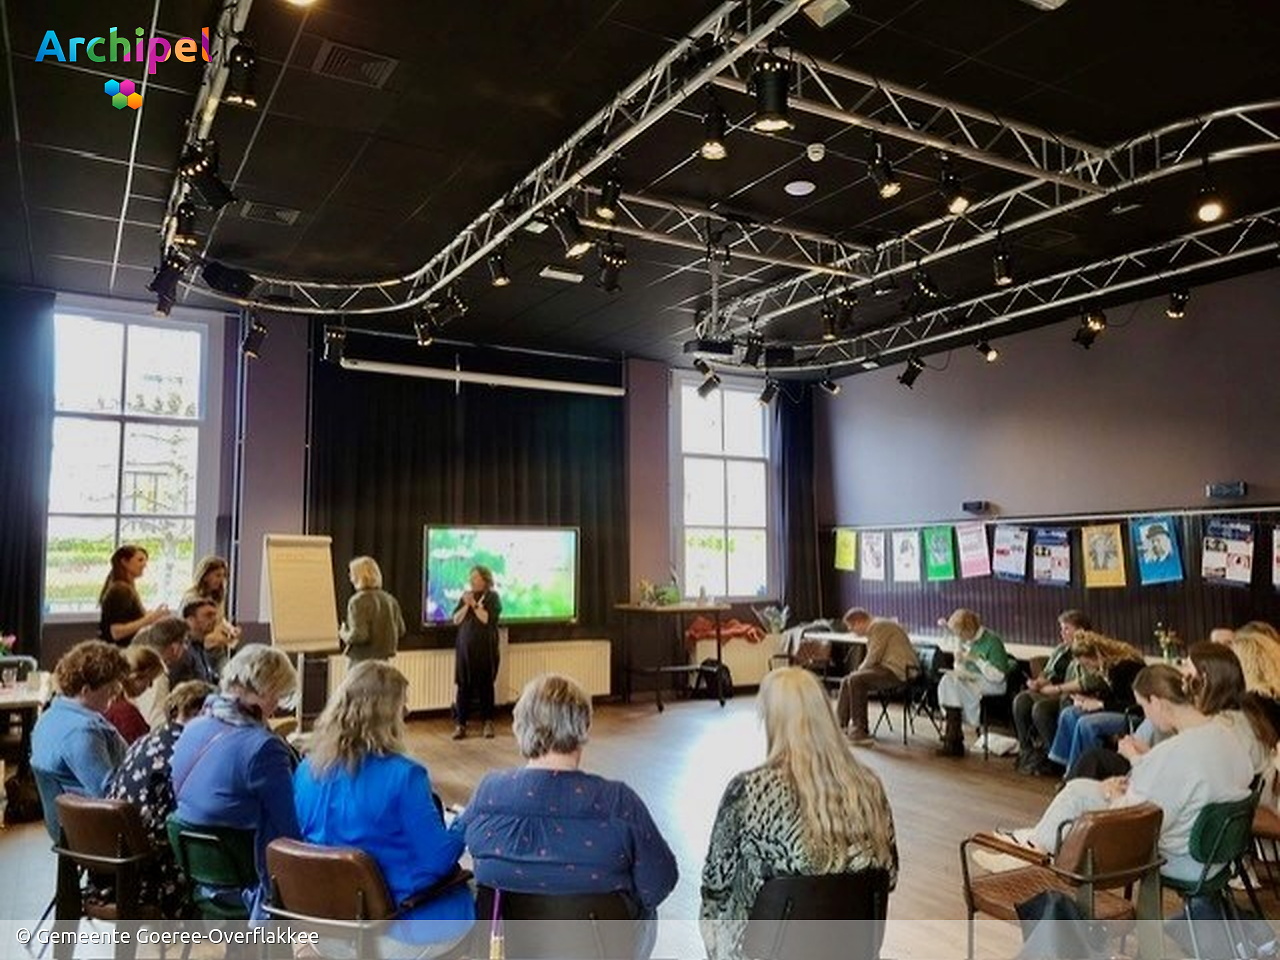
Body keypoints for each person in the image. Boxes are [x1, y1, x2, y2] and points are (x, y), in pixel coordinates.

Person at [452, 674, 676, 959]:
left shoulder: (489, 792)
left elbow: (453, 841)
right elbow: (659, 884)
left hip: (505, 949)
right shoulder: (618, 802)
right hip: (599, 948)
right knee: (646, 911)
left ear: (520, 725)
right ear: (583, 726)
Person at [701, 668, 898, 960]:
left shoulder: (748, 790)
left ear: (773, 721)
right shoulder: (869, 786)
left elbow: (715, 884)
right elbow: (889, 877)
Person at [994, 663, 1253, 885]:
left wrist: (1116, 794)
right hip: (1216, 853)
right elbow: (1179, 788)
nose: (1147, 716)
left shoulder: (1176, 751)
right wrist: (1137, 773)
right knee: (1081, 789)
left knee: (1077, 794)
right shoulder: (1226, 736)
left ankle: (1032, 852)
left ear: (1157, 702)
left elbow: (1143, 815)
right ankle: (1034, 845)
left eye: (1144, 707)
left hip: (1179, 858)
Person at [295, 662, 474, 957]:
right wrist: (465, 822)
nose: (408, 712)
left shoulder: (305, 770)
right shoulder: (405, 775)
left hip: (326, 926)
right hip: (398, 929)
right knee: (477, 891)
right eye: (403, 705)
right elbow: (439, 860)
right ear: (388, 715)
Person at [171, 644, 300, 920]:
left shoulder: (192, 728)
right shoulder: (263, 747)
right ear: (266, 689)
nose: (277, 706)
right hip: (247, 881)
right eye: (278, 695)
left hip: (201, 878)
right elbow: (289, 830)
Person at [102, 680, 216, 916]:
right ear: (203, 713)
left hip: (120, 863)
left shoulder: (144, 741)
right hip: (156, 872)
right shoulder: (189, 750)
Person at [30, 640, 130, 835]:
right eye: (111, 686)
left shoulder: (49, 717)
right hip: (95, 830)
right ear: (86, 690)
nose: (116, 691)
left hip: (67, 826)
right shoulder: (82, 731)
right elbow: (109, 792)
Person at [1046, 633, 1144, 777]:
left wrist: (1100, 704)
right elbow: (1112, 696)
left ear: (1096, 656)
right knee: (1070, 713)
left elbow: (1132, 703)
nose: (1088, 669)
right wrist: (1087, 700)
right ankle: (1068, 767)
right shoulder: (1107, 669)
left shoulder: (1126, 668)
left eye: (1087, 664)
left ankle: (1081, 774)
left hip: (1132, 714)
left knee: (1086, 724)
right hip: (1114, 709)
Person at [1013, 609, 1095, 774]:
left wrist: (1055, 688)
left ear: (1080, 630)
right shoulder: (1060, 649)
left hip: (1068, 694)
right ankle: (1026, 751)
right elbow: (1047, 672)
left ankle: (1055, 757)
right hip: (1050, 689)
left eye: (1066, 629)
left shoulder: (1088, 650)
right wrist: (1038, 682)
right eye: (1061, 629)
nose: (1062, 633)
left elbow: (1086, 681)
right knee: (1021, 700)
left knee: (1041, 709)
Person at [834, 607, 919, 746]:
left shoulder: (879, 627)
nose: (851, 630)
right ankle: (839, 726)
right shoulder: (877, 626)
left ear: (859, 622)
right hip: (888, 667)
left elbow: (873, 656)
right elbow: (874, 658)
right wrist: (856, 673)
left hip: (899, 671)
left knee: (855, 679)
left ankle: (860, 730)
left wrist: (857, 671)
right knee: (847, 680)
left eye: (851, 626)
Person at [936, 609, 1013, 757]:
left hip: (993, 684)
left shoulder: (992, 642)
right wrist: (958, 663)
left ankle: (954, 739)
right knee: (947, 680)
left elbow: (999, 676)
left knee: (954, 686)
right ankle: (954, 736)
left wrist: (976, 660)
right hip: (973, 680)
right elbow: (962, 669)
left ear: (969, 630)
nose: (959, 638)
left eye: (961, 634)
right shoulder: (966, 641)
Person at [451, 564, 502, 740]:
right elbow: (456, 619)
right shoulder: (465, 597)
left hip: (485, 650)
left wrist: (474, 605)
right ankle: (460, 724)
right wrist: (466, 605)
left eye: (475, 578)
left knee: (486, 686)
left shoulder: (493, 597)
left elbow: (487, 619)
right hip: (465, 651)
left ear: (485, 580)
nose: (472, 581)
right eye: (471, 578)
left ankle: (488, 723)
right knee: (463, 686)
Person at [339, 556, 406, 664]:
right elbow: (401, 630)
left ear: (359, 576)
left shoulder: (357, 601)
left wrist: (343, 633)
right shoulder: (390, 599)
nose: (350, 577)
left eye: (352, 573)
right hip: (384, 661)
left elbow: (360, 636)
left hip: (361, 661)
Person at [98, 544, 168, 647]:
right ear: (124, 562)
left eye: (145, 561)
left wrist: (151, 615)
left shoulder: (126, 588)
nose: (144, 565)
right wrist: (149, 619)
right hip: (120, 651)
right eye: (140, 560)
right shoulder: (120, 590)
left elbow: (129, 620)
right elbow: (116, 632)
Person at [182, 555, 241, 675]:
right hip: (201, 648)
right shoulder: (191, 598)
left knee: (229, 675)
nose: (221, 580)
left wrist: (230, 629)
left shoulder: (217, 597)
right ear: (205, 576)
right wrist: (219, 639)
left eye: (223, 576)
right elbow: (191, 630)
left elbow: (220, 619)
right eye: (217, 575)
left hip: (216, 649)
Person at [133, 617, 190, 728]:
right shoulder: (156, 677)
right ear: (175, 648)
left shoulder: (143, 665)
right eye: (185, 642)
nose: (186, 648)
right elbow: (157, 722)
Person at [103, 645, 165, 745]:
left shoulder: (111, 705)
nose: (150, 686)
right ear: (136, 677)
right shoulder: (126, 714)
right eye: (149, 680)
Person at [169, 597, 221, 686]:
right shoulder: (182, 651)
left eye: (214, 615)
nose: (214, 619)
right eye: (208, 615)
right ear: (191, 620)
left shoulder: (200, 647)